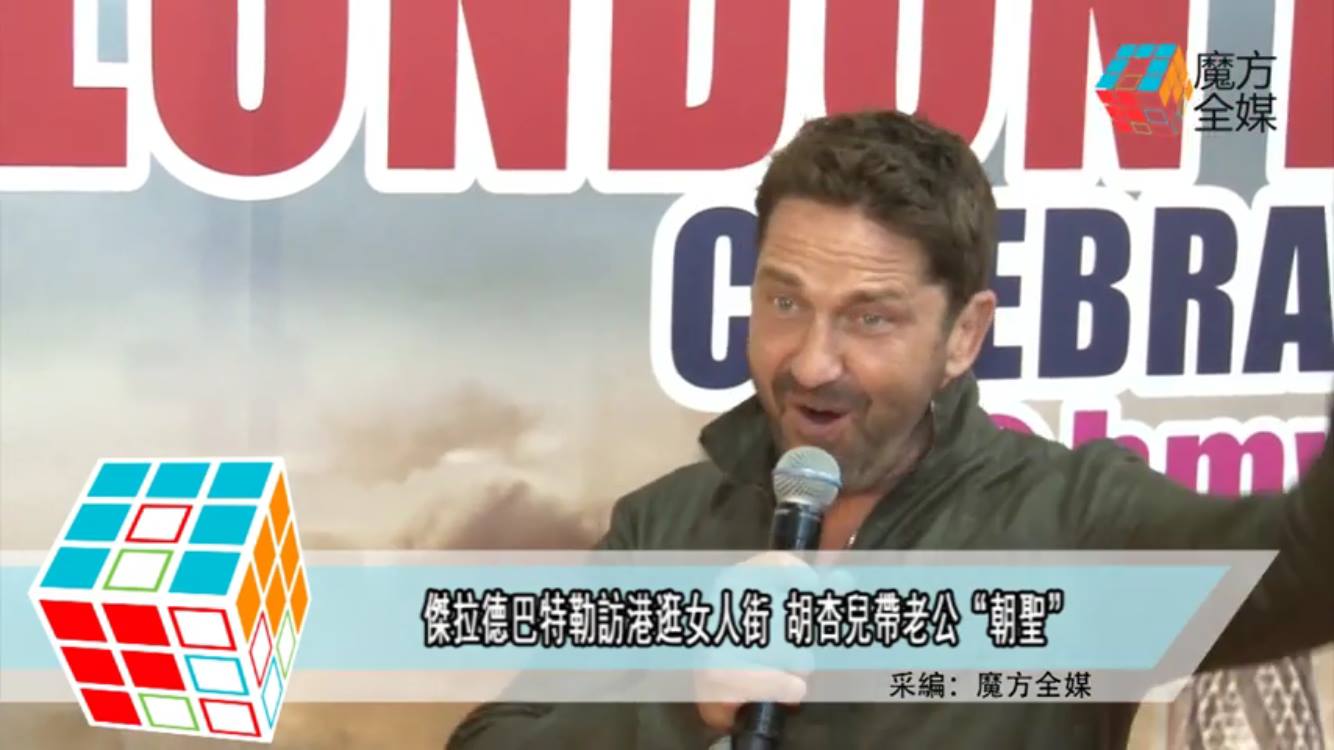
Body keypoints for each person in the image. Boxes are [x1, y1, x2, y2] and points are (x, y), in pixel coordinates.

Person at [446, 109, 1334, 748]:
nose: (811, 362)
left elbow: (1304, 572)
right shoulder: (667, 525)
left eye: (870, 318)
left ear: (963, 336)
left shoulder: (1074, 521)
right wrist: (675, 705)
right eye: (785, 302)